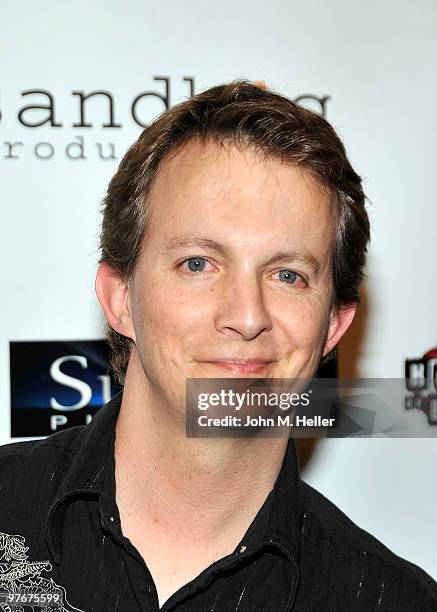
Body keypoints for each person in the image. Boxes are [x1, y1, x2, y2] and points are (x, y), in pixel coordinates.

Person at [0, 81, 435, 612]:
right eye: (199, 264)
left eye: (288, 274)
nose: (247, 316)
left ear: (334, 328)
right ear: (120, 299)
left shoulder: (392, 601)